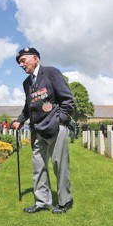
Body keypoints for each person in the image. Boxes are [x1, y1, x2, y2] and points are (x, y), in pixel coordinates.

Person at [12, 47, 75, 214]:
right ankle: (42, 202)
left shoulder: (51, 73)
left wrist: (58, 120)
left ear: (35, 59)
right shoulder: (27, 83)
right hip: (37, 130)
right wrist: (19, 120)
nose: (21, 64)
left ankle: (65, 201)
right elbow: (29, 107)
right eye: (19, 62)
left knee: (59, 166)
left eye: (23, 60)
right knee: (38, 167)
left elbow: (68, 101)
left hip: (54, 128)